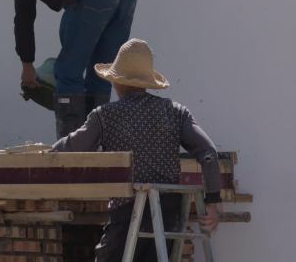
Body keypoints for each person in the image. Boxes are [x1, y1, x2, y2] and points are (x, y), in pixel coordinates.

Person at [52, 38, 222, 262]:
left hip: (127, 214)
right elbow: (209, 152)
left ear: (117, 82)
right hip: (168, 216)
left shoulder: (105, 116)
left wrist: (47, 153)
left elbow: (73, 147)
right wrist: (213, 201)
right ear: (147, 82)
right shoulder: (176, 112)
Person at [0, 0, 137, 139]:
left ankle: (72, 146)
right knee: (101, 72)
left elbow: (24, 17)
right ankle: (97, 142)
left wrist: (27, 65)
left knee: (68, 70)